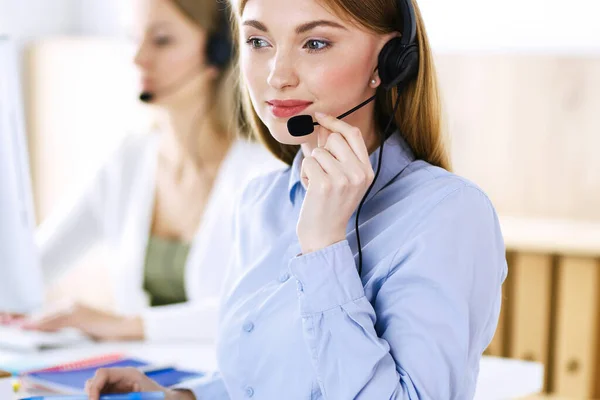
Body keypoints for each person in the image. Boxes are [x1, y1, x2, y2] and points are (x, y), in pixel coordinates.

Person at [85, 0, 507, 398]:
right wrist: (185, 395)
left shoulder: (448, 215)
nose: (277, 75)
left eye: (315, 43)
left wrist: (324, 248)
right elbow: (266, 379)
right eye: (258, 42)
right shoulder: (260, 203)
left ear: (391, 61)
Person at [0, 0, 282, 342]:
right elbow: (29, 270)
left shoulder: (264, 171)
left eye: (162, 41)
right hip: (137, 377)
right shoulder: (129, 159)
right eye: (134, 39)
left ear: (218, 51)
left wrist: (121, 325)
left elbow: (262, 309)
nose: (138, 58)